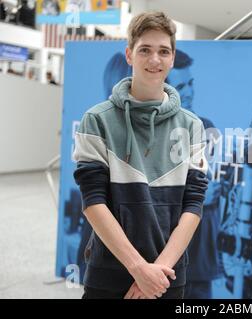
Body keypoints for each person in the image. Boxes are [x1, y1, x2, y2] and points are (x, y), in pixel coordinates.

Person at [73, 11, 208, 299]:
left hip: (167, 277)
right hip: (108, 275)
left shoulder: (192, 126)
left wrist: (156, 272)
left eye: (163, 51)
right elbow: (93, 201)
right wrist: (139, 269)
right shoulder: (97, 120)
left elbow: (193, 205)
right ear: (129, 55)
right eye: (145, 50)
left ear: (172, 58)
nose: (155, 59)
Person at [166, 49, 222, 299]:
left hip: (198, 257)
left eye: (190, 83)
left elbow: (208, 188)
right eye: (181, 86)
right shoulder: (150, 131)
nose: (189, 91)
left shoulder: (206, 126)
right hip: (161, 251)